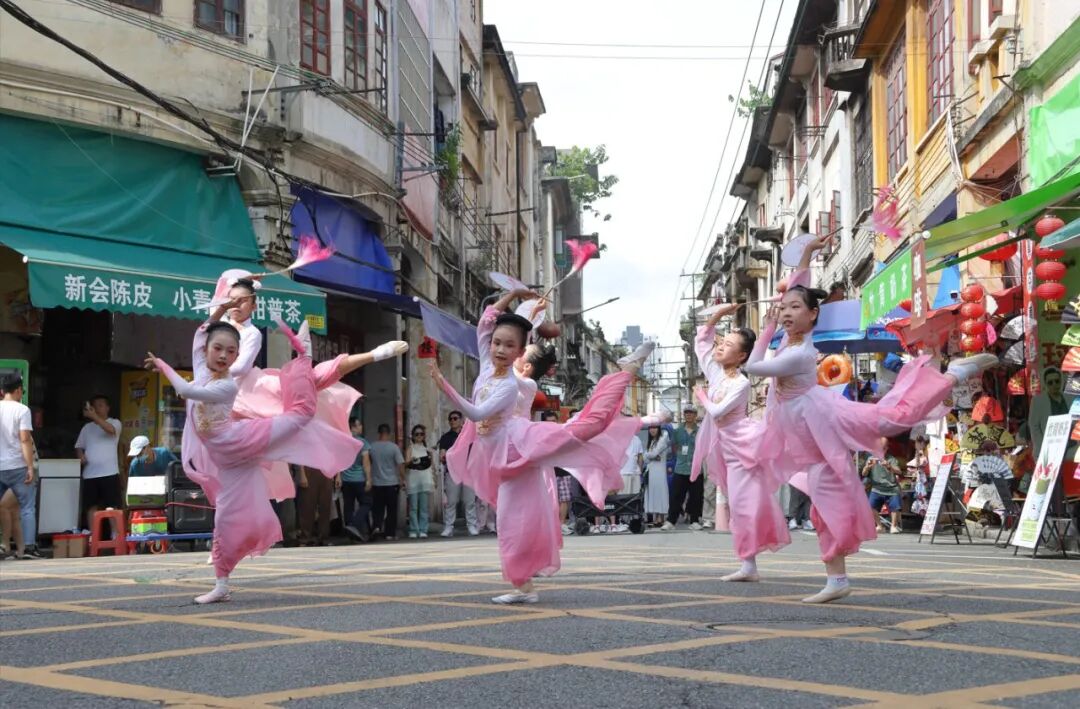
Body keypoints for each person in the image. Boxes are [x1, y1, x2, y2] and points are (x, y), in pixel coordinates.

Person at [744, 234, 998, 603]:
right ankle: (836, 579)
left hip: (822, 420)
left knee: (892, 418)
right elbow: (799, 285)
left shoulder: (799, 352)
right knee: (823, 506)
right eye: (782, 308)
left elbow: (753, 366)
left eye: (794, 308)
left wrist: (766, 328)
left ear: (812, 314)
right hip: (805, 433)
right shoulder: (788, 341)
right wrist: (808, 255)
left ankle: (953, 375)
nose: (785, 313)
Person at [434, 287, 652, 604]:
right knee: (513, 521)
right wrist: (514, 295)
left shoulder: (515, 384)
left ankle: (628, 370)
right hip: (504, 462)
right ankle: (524, 585)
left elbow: (477, 413)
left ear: (520, 353)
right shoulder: (487, 366)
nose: (500, 349)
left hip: (521, 445)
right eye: (497, 343)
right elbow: (485, 323)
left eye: (510, 346)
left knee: (586, 428)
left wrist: (444, 385)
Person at [146, 310, 360, 604]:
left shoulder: (227, 384)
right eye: (218, 348)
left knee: (300, 415)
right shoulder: (203, 370)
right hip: (229, 460)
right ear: (207, 350)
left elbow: (184, 389)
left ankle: (304, 355)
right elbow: (199, 335)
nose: (224, 355)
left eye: (231, 351)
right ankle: (221, 583)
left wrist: (162, 364)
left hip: (241, 440)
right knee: (223, 519)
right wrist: (220, 310)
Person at [690, 304, 790, 581]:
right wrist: (718, 315)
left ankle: (749, 564)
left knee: (743, 504)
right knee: (739, 505)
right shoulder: (716, 373)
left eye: (729, 345)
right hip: (726, 447)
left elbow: (717, 412)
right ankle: (748, 564)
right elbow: (702, 342)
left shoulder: (741, 383)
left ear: (742, 356)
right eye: (722, 342)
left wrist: (702, 396)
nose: (721, 346)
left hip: (744, 447)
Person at [0, 374, 40, 559]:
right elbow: (25, 439)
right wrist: (30, 467)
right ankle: (29, 548)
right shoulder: (22, 410)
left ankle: (7, 545)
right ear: (17, 390)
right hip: (17, 466)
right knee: (27, 508)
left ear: (2, 391)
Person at [75, 394, 122, 529]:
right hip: (90, 474)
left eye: (100, 405)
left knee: (111, 506)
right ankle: (93, 535)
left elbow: (110, 430)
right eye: (95, 406)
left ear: (108, 408)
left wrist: (94, 416)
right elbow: (79, 446)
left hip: (109, 472)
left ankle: (115, 534)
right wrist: (80, 455)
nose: (97, 408)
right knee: (91, 507)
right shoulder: (87, 428)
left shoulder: (115, 423)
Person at [439, 410, 478, 537]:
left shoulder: (469, 435)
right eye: (450, 419)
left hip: (468, 471)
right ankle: (448, 527)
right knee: (451, 501)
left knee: (469, 500)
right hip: (452, 472)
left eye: (455, 418)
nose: (452, 421)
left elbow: (476, 451)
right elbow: (442, 453)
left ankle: (471, 525)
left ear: (461, 420)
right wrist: (443, 456)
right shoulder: (446, 437)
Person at [663, 407, 702, 530]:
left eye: (691, 413)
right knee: (676, 496)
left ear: (695, 415)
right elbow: (674, 446)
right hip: (680, 468)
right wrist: (680, 456)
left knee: (696, 496)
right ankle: (671, 521)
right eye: (686, 413)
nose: (689, 415)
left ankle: (694, 520)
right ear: (684, 415)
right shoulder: (678, 431)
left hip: (696, 468)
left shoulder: (700, 431)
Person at [541, 410, 577, 536]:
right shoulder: (540, 435)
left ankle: (561, 524)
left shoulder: (563, 432)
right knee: (551, 499)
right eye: (549, 421)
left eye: (554, 421)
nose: (552, 424)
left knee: (565, 499)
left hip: (563, 470)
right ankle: (553, 524)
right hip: (548, 471)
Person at [368, 423, 405, 541]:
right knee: (391, 510)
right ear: (389, 434)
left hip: (376, 484)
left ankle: (377, 527)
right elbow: (400, 465)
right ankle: (390, 533)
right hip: (391, 483)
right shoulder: (394, 447)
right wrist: (403, 479)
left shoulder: (372, 447)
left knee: (377, 509)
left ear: (379, 433)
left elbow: (368, 463)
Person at [861, 439, 904, 534]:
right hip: (877, 488)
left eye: (883, 448)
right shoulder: (871, 459)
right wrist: (867, 467)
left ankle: (893, 526)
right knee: (870, 506)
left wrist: (889, 466)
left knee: (895, 507)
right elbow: (864, 474)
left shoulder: (891, 459)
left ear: (887, 448)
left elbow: (899, 471)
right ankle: (879, 525)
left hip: (892, 488)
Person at [341, 417, 373, 542]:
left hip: (346, 479)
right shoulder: (362, 443)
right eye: (359, 425)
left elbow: (338, 460)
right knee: (367, 503)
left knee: (348, 506)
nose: (361, 427)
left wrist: (338, 476)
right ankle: (354, 525)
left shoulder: (343, 441)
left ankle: (350, 534)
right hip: (359, 479)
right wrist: (369, 479)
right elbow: (366, 463)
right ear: (353, 427)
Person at [405, 424, 435, 539]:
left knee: (424, 507)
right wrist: (411, 461)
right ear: (413, 436)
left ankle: (423, 529)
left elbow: (432, 466)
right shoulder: (410, 448)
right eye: (416, 434)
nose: (419, 436)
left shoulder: (428, 450)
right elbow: (406, 463)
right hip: (413, 480)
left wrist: (434, 479)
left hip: (425, 480)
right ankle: (413, 529)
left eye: (421, 434)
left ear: (424, 436)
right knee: (413, 507)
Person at [298, 464, 334, 546]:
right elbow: (301, 459)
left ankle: (324, 537)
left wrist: (336, 474)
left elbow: (333, 458)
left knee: (325, 506)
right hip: (309, 470)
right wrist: (302, 475)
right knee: (307, 505)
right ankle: (305, 538)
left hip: (326, 471)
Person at [643, 425, 670, 526]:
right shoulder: (651, 442)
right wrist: (650, 456)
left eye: (655, 428)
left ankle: (661, 518)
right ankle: (656, 517)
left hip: (660, 472)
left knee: (660, 493)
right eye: (651, 428)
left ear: (659, 429)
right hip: (651, 471)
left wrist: (649, 455)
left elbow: (654, 454)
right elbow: (646, 458)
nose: (652, 430)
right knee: (654, 494)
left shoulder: (662, 439)